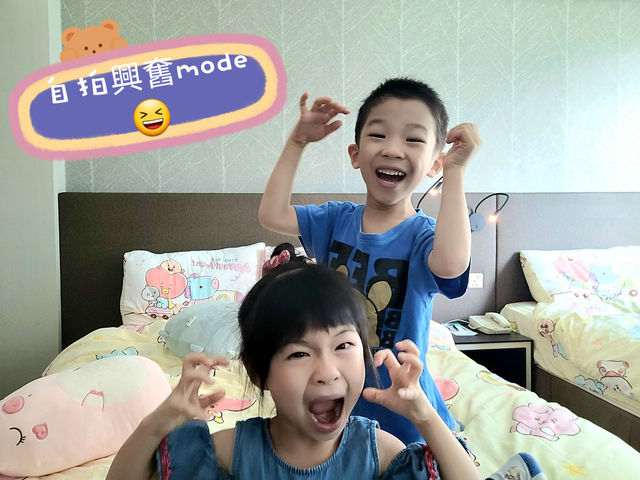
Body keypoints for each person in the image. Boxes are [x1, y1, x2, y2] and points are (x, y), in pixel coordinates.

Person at [107, 260, 483, 479]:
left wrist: (424, 415)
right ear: (259, 373)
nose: (327, 371)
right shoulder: (232, 450)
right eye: (300, 354)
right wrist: (161, 420)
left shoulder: (377, 450)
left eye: (343, 346)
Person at [259, 77, 479, 444]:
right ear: (355, 155)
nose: (393, 149)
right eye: (378, 135)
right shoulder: (334, 220)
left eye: (413, 139)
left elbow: (452, 264)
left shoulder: (423, 236)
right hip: (336, 393)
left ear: (434, 163)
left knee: (419, 464)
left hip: (403, 405)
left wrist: (454, 172)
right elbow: (272, 214)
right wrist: (297, 142)